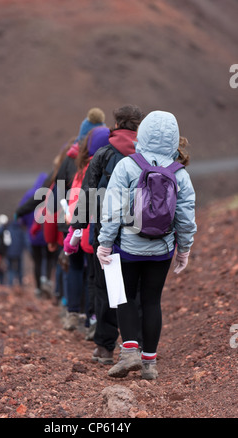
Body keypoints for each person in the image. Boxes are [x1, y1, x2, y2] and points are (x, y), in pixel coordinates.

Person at [96, 110, 197, 380]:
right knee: (152, 301)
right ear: (175, 138)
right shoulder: (180, 174)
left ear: (143, 135)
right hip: (161, 251)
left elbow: (113, 211)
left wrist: (105, 243)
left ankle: (129, 352)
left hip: (127, 247)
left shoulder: (128, 165)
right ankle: (150, 363)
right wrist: (184, 249)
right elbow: (186, 218)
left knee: (124, 297)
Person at [70, 104, 145, 364]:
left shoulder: (103, 154)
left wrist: (77, 230)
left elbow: (87, 195)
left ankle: (104, 348)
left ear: (117, 123)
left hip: (106, 235)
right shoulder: (149, 152)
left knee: (106, 290)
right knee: (135, 291)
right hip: (142, 233)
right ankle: (140, 347)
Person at [63, 126, 111, 334]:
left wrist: (72, 229)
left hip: (82, 228)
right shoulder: (110, 164)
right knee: (97, 278)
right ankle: (96, 321)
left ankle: (83, 316)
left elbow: (75, 200)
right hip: (98, 229)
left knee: (85, 274)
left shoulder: (82, 168)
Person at [4, 218, 27, 287]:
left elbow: (5, 242)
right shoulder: (20, 230)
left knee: (10, 269)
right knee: (19, 269)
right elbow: (24, 241)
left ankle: (10, 284)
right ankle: (20, 284)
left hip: (9, 253)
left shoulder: (8, 229)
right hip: (18, 253)